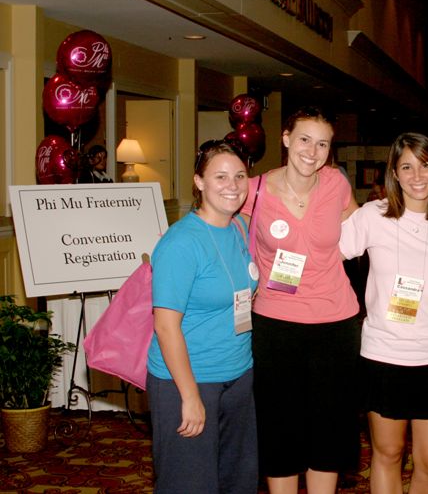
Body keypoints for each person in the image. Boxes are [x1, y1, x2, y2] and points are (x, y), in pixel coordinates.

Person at [339, 132, 428, 494]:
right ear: (394, 173)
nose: (417, 175)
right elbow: (328, 256)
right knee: (387, 454)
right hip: (383, 355)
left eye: (425, 165)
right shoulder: (372, 216)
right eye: (407, 166)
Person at [241, 106, 361, 494]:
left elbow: (362, 227)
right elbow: (220, 228)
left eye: (322, 143)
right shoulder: (253, 190)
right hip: (276, 323)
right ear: (286, 138)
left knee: (330, 422)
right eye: (305, 139)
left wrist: (426, 216)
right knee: (280, 422)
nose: (312, 151)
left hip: (336, 321)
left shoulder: (336, 184)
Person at [146, 138, 258, 493]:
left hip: (238, 376)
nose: (232, 186)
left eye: (240, 176)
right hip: (188, 380)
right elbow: (165, 327)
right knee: (189, 484)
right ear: (199, 182)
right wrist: (189, 396)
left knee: (235, 482)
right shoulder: (181, 243)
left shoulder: (239, 227)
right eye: (220, 177)